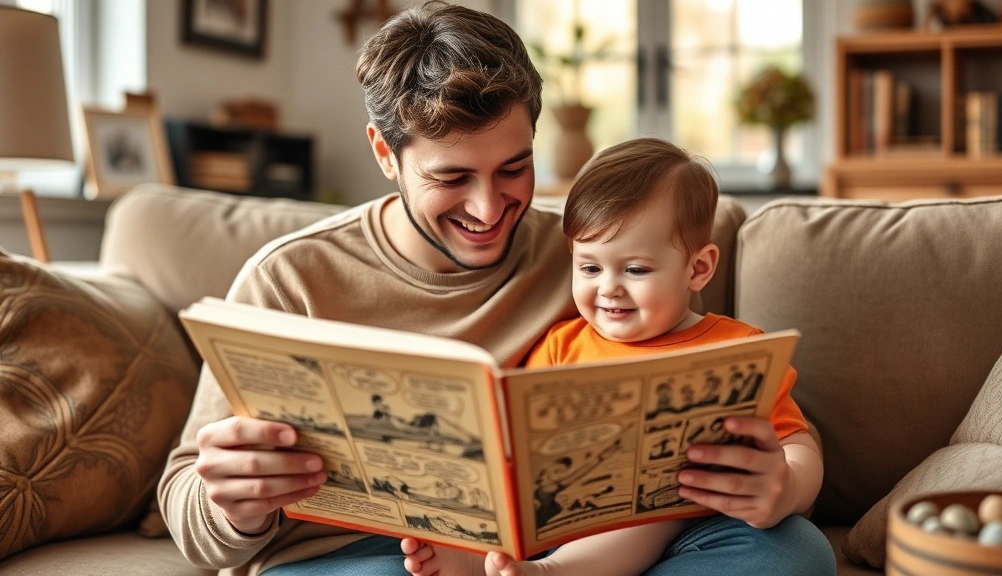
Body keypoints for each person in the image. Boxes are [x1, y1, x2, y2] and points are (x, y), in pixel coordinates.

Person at [159, 2, 833, 574]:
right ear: (384, 154)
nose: (488, 210)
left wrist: (779, 484)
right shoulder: (291, 279)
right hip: (356, 555)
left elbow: (716, 405)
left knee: (790, 550)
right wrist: (235, 503)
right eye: (452, 179)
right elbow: (188, 502)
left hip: (550, 552)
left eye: (514, 168)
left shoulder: (587, 254)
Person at [401, 138, 834, 576]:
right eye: (589, 267)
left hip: (693, 537)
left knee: (801, 551)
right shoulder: (560, 346)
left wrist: (787, 487)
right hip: (568, 529)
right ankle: (489, 562)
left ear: (698, 269)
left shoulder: (738, 352)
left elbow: (796, 445)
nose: (608, 287)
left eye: (635, 269)